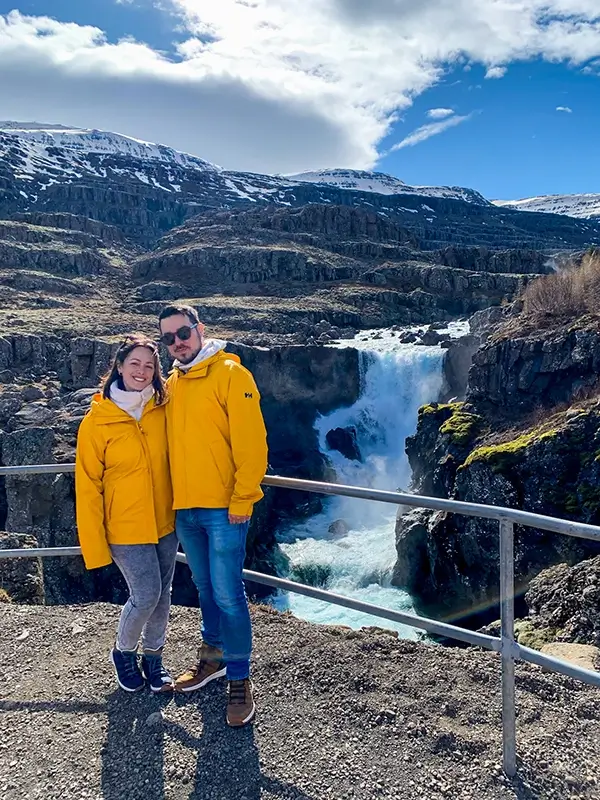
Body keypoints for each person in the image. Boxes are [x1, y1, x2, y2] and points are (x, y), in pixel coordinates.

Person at [158, 304, 268, 727]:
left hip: (225, 509)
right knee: (205, 590)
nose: (178, 342)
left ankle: (239, 680)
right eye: (168, 338)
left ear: (200, 330)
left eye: (183, 332)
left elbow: (252, 443)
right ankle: (213, 660)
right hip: (186, 510)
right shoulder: (172, 384)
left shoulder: (231, 375)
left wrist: (244, 498)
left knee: (228, 594)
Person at [75, 335, 177, 694]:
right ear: (119, 366)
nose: (142, 371)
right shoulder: (97, 420)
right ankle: (123, 652)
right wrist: (95, 544)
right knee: (146, 594)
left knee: (164, 594)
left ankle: (154, 659)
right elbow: (88, 486)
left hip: (165, 521)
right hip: (124, 526)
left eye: (149, 365)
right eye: (134, 363)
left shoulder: (163, 409)